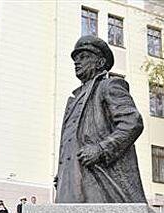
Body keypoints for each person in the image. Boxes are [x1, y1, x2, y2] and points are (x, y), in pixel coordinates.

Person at [55, 35, 146, 203]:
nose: (77, 62)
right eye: (75, 58)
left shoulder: (109, 86)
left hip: (100, 178)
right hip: (72, 180)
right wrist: (63, 173)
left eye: (84, 57)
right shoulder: (73, 99)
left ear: (100, 62)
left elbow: (132, 122)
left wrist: (101, 149)